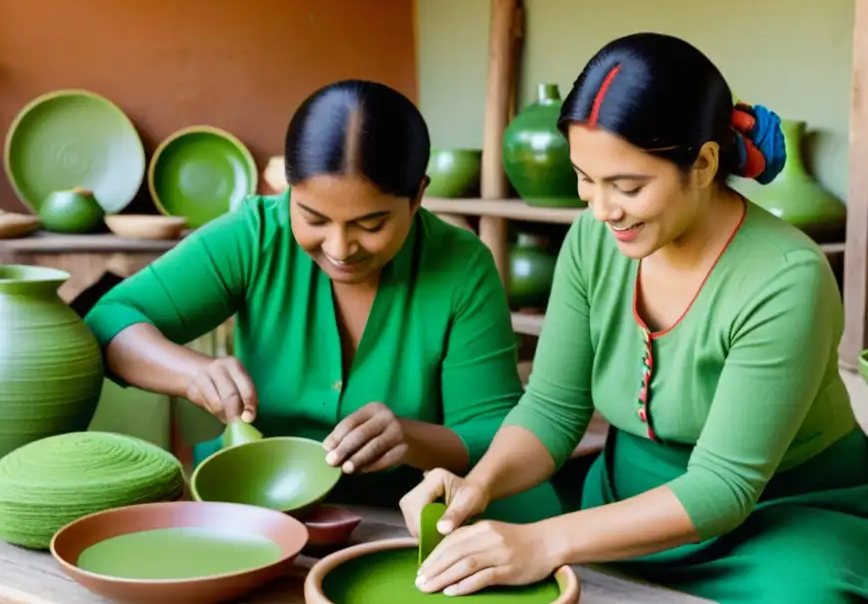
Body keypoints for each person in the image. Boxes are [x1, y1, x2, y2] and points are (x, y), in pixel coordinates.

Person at [400, 33, 868, 604]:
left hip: (784, 514)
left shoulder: (786, 277)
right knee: (484, 566)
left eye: (626, 185)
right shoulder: (594, 241)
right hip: (625, 499)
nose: (599, 207)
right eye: (584, 179)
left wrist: (548, 540)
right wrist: (479, 484)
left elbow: (724, 488)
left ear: (703, 163)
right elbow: (553, 410)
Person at [84, 79, 563, 518]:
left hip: (412, 518)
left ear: (418, 196)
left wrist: (409, 438)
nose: (339, 249)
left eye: (371, 225)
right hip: (264, 503)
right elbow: (109, 319)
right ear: (287, 188)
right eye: (313, 218)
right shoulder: (256, 236)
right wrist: (193, 374)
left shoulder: (461, 266)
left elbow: (495, 433)